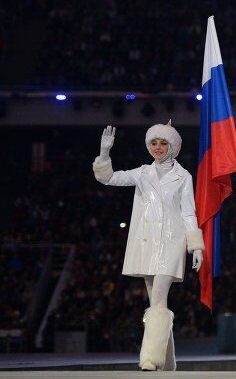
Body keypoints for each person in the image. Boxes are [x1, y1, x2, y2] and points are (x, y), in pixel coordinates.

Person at [91, 120, 205, 371]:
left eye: (163, 143)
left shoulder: (183, 176)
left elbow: (189, 212)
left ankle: (150, 359)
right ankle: (169, 363)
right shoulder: (142, 172)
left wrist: (196, 245)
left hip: (171, 242)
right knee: (157, 302)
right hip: (146, 242)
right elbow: (108, 178)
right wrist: (104, 152)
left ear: (173, 146)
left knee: (159, 297)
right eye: (153, 142)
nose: (158, 147)